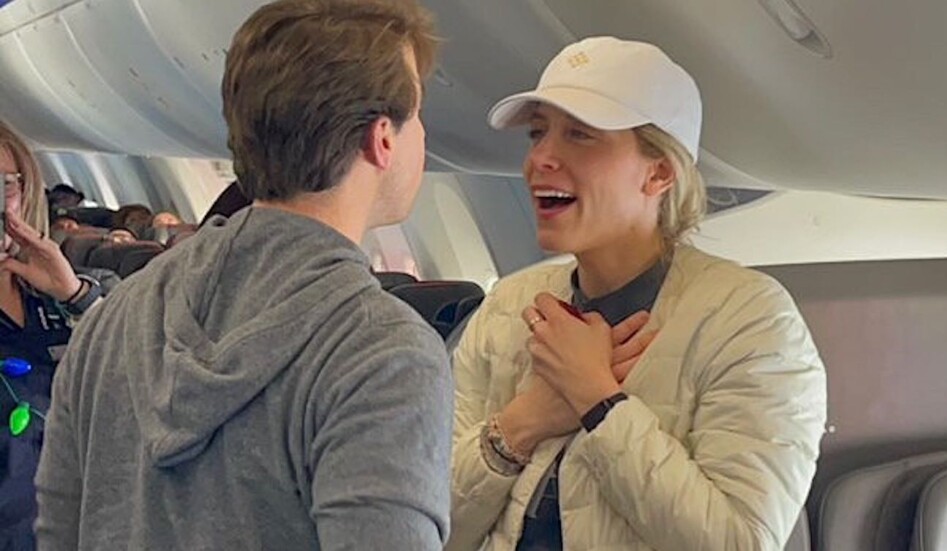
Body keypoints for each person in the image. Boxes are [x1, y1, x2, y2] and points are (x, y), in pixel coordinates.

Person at [36, 1, 452, 549]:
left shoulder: (113, 319)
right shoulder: (384, 354)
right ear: (383, 139)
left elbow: (59, 531)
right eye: (417, 113)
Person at [448, 37, 827, 551]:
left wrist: (597, 401)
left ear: (659, 172)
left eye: (580, 135)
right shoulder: (507, 308)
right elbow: (426, 524)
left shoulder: (751, 322)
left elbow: (740, 541)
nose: (540, 158)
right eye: (538, 134)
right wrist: (524, 422)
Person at [0, 122, 105, 550]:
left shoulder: (73, 293)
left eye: (3, 185)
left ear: (25, 193)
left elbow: (137, 381)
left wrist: (75, 296)